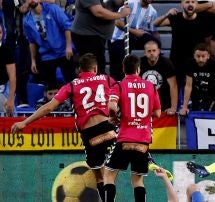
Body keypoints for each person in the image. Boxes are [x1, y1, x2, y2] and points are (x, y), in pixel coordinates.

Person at [11, 53, 117, 202]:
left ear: (79, 70)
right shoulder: (106, 79)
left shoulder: (72, 85)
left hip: (89, 134)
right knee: (109, 175)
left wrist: (24, 122)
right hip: (108, 129)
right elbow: (122, 93)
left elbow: (49, 107)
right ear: (95, 68)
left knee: (99, 176)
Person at [103, 54, 161, 202]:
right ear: (139, 69)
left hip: (125, 139)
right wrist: (144, 118)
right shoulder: (151, 86)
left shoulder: (119, 85)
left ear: (123, 69)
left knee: (109, 176)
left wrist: (114, 118)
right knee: (137, 181)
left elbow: (111, 106)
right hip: (143, 140)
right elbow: (158, 113)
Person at [153, 0, 215, 86]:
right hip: (177, 61)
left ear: (197, 4)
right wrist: (167, 14)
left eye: (193, 2)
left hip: (196, 62)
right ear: (182, 4)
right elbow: (155, 24)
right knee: (175, 88)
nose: (190, 4)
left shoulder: (202, 20)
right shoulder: (175, 17)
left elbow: (208, 41)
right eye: (187, 2)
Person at [23, 0, 76, 87]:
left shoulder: (53, 9)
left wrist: (69, 46)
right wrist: (33, 60)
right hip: (46, 55)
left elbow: (67, 27)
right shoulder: (27, 20)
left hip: (63, 51)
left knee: (71, 82)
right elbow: (31, 41)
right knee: (50, 87)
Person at [70, 0, 130, 74]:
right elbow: (98, 12)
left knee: (99, 66)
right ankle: (91, 84)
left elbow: (117, 2)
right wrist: (121, 14)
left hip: (98, 36)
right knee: (92, 67)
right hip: (87, 36)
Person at [109, 0, 159, 81]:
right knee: (119, 68)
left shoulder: (153, 12)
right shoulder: (130, 4)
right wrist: (134, 32)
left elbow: (153, 31)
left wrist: (157, 44)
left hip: (135, 38)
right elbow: (117, 22)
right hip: (119, 38)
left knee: (151, 39)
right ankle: (116, 87)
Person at [140, 40, 178, 115]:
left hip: (164, 105)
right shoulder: (139, 63)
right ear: (145, 53)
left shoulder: (166, 63)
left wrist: (173, 107)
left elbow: (173, 86)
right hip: (144, 105)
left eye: (154, 50)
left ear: (159, 51)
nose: (152, 53)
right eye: (149, 51)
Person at [179, 43, 215, 115]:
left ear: (208, 56)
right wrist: (184, 107)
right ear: (194, 56)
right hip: (195, 94)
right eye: (198, 56)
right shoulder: (190, 63)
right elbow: (188, 86)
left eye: (203, 56)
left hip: (211, 94)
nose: (200, 59)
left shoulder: (214, 64)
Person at [0, 24, 16, 116]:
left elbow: (12, 77)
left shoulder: (6, 50)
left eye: (0, 32)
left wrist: (10, 99)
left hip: (3, 90)